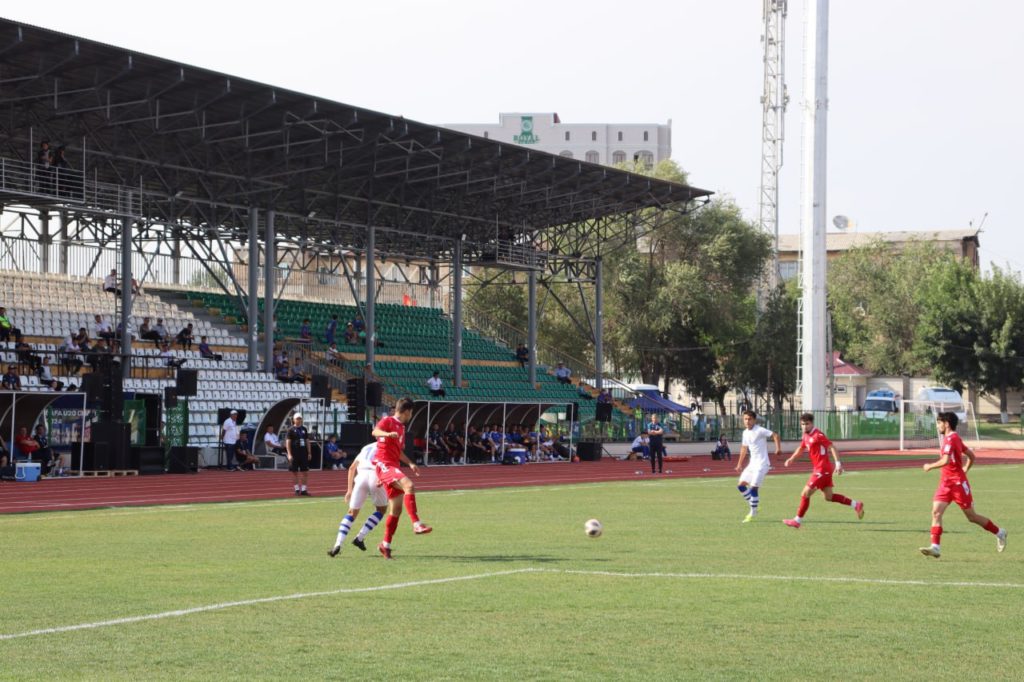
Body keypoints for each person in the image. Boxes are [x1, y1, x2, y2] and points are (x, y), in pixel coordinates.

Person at [919, 411, 1007, 558]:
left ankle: (1000, 532)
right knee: (936, 512)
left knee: (971, 517)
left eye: (939, 423)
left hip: (958, 484)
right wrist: (965, 468)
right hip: (946, 484)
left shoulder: (951, 439)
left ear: (946, 424)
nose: (938, 425)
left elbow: (946, 460)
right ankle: (935, 547)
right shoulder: (954, 438)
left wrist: (930, 466)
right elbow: (971, 456)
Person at [372, 397, 432, 559]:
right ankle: (416, 523)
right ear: (406, 411)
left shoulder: (402, 428)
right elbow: (375, 432)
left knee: (396, 510)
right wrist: (386, 433)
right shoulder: (388, 421)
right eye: (411, 411)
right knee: (409, 485)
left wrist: (410, 463)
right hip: (384, 464)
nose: (411, 414)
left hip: (393, 466)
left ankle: (385, 545)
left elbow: (398, 452)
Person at [782, 413, 865, 529]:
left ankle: (797, 520)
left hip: (822, 469)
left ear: (812, 424)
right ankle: (856, 504)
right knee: (829, 497)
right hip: (821, 469)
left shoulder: (818, 435)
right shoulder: (805, 435)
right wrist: (792, 458)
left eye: (807, 424)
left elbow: (832, 447)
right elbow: (801, 448)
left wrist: (838, 464)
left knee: (805, 493)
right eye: (802, 424)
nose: (805, 426)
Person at [327, 442, 388, 557]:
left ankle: (337, 543)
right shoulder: (388, 446)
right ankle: (360, 537)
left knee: (351, 512)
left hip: (361, 477)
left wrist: (349, 490)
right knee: (381, 510)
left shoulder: (366, 447)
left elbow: (351, 468)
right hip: (375, 475)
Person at [735, 411, 782, 523]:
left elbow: (775, 435)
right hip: (752, 464)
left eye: (749, 419)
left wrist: (778, 448)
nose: (747, 421)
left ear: (754, 420)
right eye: (745, 419)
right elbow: (744, 448)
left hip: (762, 463)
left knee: (753, 487)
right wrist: (739, 464)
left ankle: (753, 511)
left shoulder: (760, 430)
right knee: (741, 486)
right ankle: (754, 505)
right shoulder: (745, 433)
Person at [286, 413, 312, 496]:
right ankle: (297, 489)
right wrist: (289, 454)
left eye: (300, 418)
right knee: (294, 472)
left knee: (305, 472)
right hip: (294, 453)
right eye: (297, 419)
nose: (299, 420)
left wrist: (309, 452)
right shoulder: (290, 430)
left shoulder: (304, 429)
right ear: (294, 420)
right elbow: (288, 442)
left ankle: (304, 490)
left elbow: (307, 441)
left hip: (303, 453)